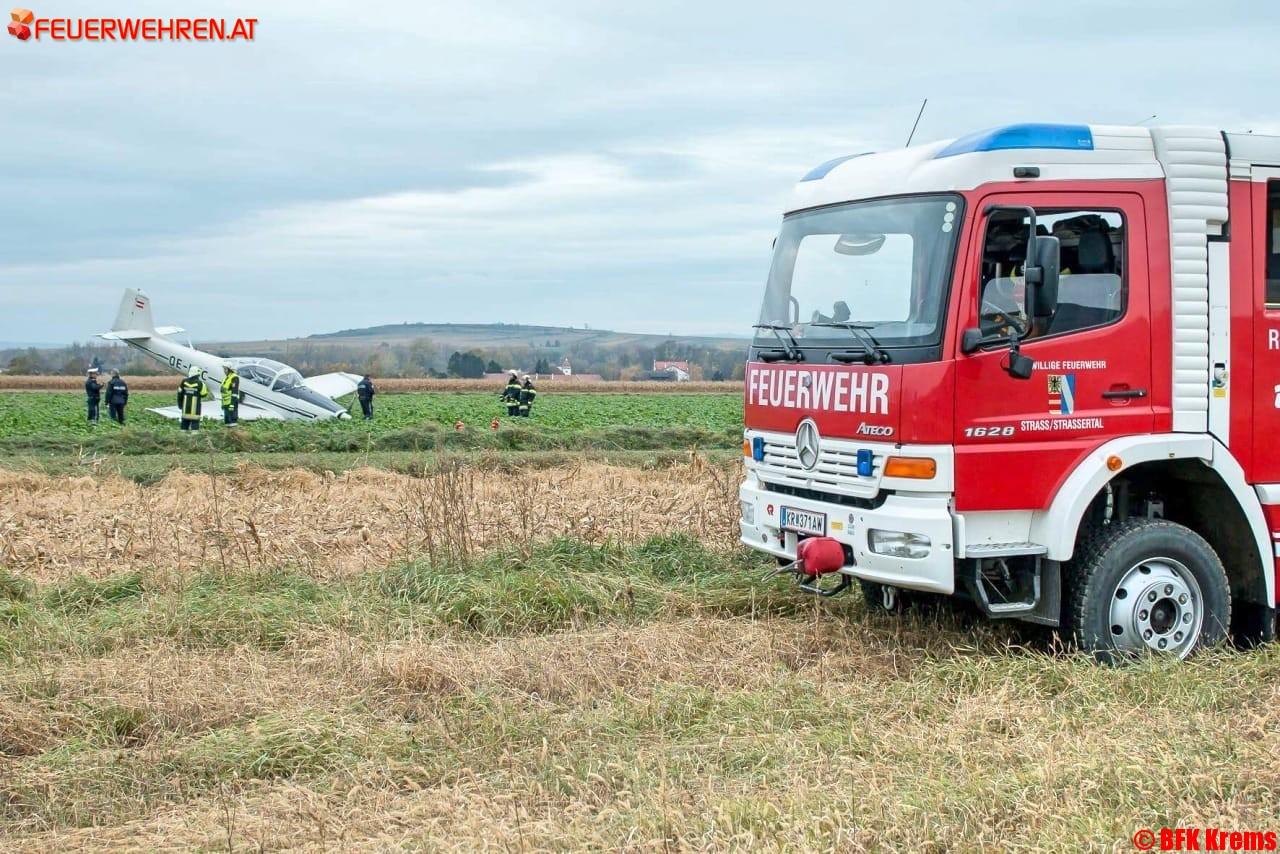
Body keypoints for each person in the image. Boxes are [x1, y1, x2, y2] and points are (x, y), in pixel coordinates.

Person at [177, 366, 209, 431]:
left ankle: (183, 439)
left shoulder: (184, 382)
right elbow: (204, 394)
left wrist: (180, 404)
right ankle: (194, 440)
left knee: (184, 426)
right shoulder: (201, 383)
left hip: (185, 410)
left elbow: (179, 393)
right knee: (195, 428)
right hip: (195, 411)